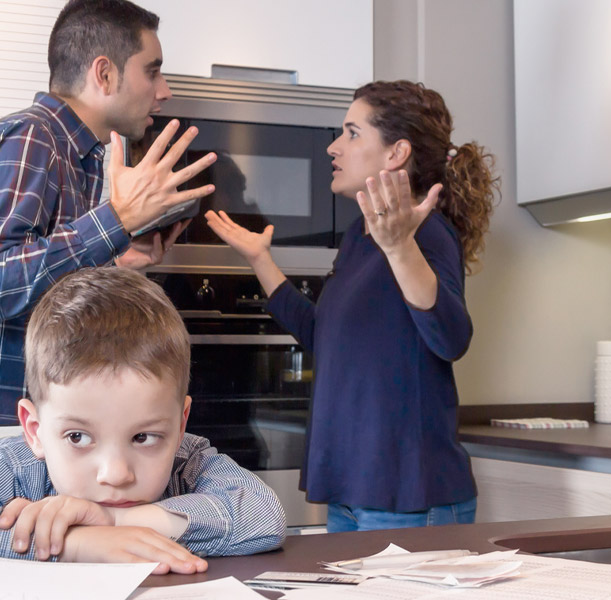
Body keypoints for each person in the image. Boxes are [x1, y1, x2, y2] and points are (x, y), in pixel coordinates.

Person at [0, 0, 216, 429]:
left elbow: (36, 288)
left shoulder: (80, 157)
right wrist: (117, 220)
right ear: (104, 74)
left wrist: (117, 261)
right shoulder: (31, 138)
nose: (164, 91)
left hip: (14, 434)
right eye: (152, 71)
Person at [206, 81, 498, 532]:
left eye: (352, 133)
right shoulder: (359, 239)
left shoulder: (426, 234)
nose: (334, 146)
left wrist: (400, 248)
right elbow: (323, 335)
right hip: (352, 493)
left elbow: (452, 337)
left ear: (395, 152)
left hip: (407, 497)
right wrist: (260, 260)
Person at [0, 267, 286, 572]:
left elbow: (264, 515)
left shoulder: (189, 458)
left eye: (144, 437)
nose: (115, 474)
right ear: (35, 431)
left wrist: (116, 519)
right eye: (78, 437)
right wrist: (76, 543)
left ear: (180, 424)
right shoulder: (16, 466)